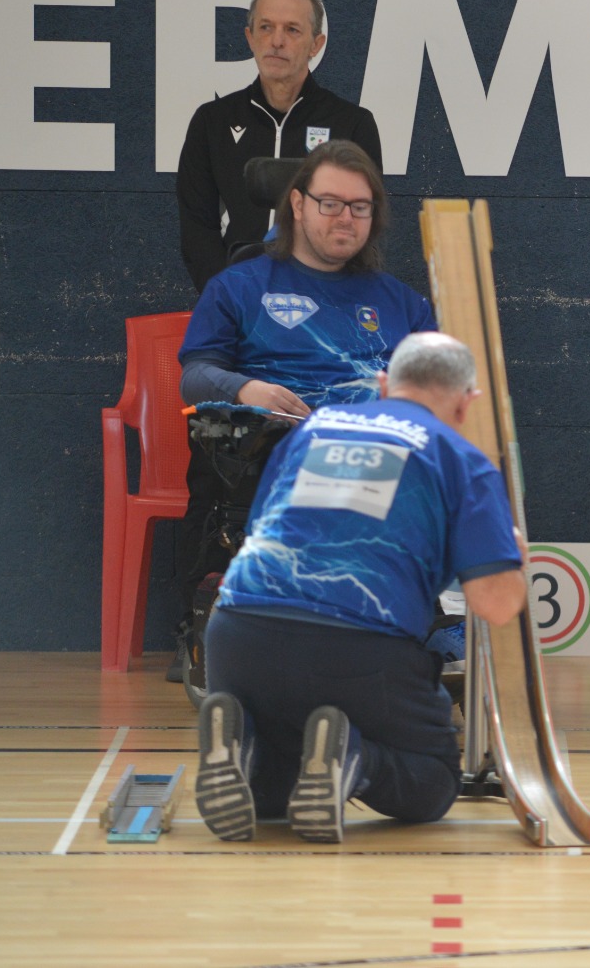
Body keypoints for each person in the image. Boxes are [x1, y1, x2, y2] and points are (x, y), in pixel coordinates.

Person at [194, 332, 525, 844]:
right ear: (467, 401)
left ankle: (245, 750)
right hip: (358, 647)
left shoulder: (311, 430)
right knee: (432, 784)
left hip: (237, 631)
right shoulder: (462, 458)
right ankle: (353, 758)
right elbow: (495, 606)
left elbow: (260, 528)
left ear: (384, 384)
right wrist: (514, 559)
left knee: (274, 795)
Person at [171, 139, 437, 680]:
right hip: (283, 446)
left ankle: (429, 634)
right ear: (297, 204)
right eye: (330, 203)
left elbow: (439, 389)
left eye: (360, 207)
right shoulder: (239, 286)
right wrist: (246, 388)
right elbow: (194, 376)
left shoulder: (403, 303)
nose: (346, 218)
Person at [177, 0, 382, 293]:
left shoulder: (353, 124)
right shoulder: (212, 122)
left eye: (292, 30)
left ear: (316, 44)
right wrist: (227, 296)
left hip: (324, 302)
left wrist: (327, 298)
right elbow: (197, 226)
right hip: (237, 302)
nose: (276, 41)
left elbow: (360, 226)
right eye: (265, 27)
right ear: (250, 38)